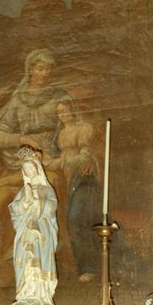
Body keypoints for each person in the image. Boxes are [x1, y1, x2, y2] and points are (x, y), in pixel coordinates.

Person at [0, 49, 66, 282]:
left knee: (42, 194)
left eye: (48, 69)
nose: (44, 74)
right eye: (40, 68)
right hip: (19, 162)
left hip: (48, 161)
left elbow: (72, 125)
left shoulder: (58, 96)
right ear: (30, 69)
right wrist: (22, 139)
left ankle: (41, 257)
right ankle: (7, 258)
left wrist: (56, 150)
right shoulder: (18, 99)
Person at [50, 96, 101, 282]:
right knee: (69, 221)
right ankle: (79, 266)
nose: (62, 115)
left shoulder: (84, 129)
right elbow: (57, 155)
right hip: (67, 179)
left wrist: (61, 162)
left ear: (72, 110)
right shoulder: (59, 133)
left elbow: (85, 157)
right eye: (59, 112)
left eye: (65, 110)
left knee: (78, 219)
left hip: (83, 178)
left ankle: (89, 268)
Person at [9, 149, 58, 305]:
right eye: (26, 169)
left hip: (41, 231)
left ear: (37, 168)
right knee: (24, 257)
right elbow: (14, 209)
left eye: (31, 168)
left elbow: (52, 206)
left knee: (37, 257)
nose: (29, 171)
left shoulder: (46, 189)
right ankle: (24, 294)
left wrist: (35, 202)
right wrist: (25, 202)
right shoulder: (23, 191)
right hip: (24, 232)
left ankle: (39, 295)